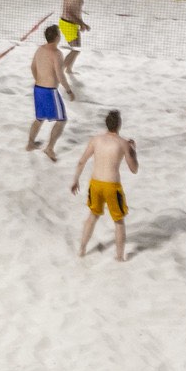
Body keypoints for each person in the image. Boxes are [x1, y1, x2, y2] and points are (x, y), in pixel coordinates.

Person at [70, 109, 140, 261]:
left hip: (95, 184)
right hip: (112, 186)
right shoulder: (123, 143)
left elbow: (82, 161)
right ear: (119, 125)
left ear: (106, 124)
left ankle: (82, 249)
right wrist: (133, 151)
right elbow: (134, 169)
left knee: (92, 216)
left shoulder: (95, 140)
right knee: (119, 221)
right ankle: (120, 257)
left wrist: (75, 180)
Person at [25, 24, 69, 160]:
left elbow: (32, 67)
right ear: (57, 37)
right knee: (61, 120)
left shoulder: (40, 49)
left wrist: (39, 79)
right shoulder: (56, 54)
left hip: (38, 89)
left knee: (39, 118)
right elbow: (60, 75)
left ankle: (30, 144)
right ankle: (49, 148)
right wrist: (68, 90)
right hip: (50, 92)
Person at [56, 0, 86, 97]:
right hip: (67, 24)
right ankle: (61, 71)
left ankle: (68, 69)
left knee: (77, 49)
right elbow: (70, 14)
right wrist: (83, 24)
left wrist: (81, 24)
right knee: (75, 49)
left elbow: (78, 12)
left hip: (73, 24)